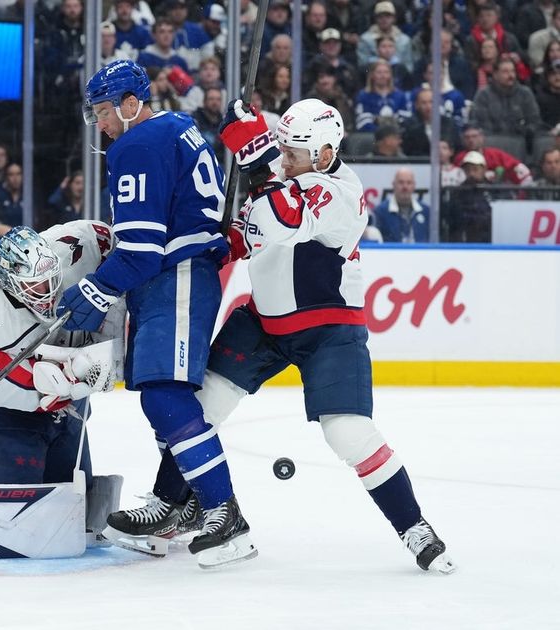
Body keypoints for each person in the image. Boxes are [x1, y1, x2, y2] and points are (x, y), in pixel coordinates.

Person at [195, 97, 455, 573]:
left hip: (329, 329)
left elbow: (279, 217)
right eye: (279, 149)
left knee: (348, 432)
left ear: (323, 152)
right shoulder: (287, 171)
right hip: (264, 322)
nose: (284, 158)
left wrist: (252, 156)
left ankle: (414, 526)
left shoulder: (341, 191)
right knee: (198, 409)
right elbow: (246, 233)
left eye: (292, 153)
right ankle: (175, 504)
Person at [56, 59, 255, 569]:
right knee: (162, 396)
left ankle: (222, 512)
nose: (99, 122)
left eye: (103, 110)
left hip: (176, 277)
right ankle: (177, 508)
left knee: (167, 397)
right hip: (174, 277)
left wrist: (97, 288)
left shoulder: (138, 144)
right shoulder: (179, 129)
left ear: (130, 104)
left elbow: (142, 249)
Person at [0, 221, 123, 541]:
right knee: (11, 527)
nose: (47, 292)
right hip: (2, 414)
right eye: (35, 286)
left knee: (75, 523)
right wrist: (68, 379)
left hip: (66, 405)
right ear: (9, 283)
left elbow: (117, 240)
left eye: (50, 281)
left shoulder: (72, 246)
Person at [371, 168, 430, 242]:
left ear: (414, 185)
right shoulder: (380, 212)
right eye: (401, 182)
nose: (405, 187)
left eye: (409, 183)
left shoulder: (426, 211)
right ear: (393, 185)